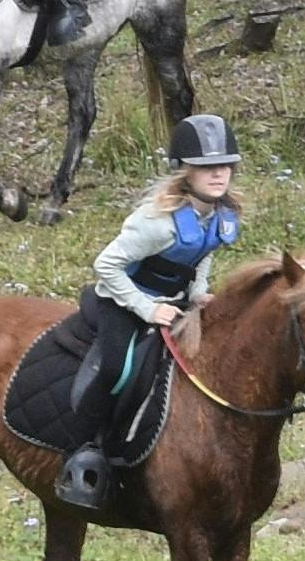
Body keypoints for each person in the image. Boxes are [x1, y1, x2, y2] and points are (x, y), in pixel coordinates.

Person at [57, 112, 245, 515]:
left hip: (172, 301)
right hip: (122, 300)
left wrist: (197, 292)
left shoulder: (220, 215)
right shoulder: (156, 223)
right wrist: (146, 308)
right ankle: (83, 448)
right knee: (118, 369)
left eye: (225, 165)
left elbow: (203, 253)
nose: (218, 174)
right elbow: (106, 265)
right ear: (185, 171)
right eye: (207, 167)